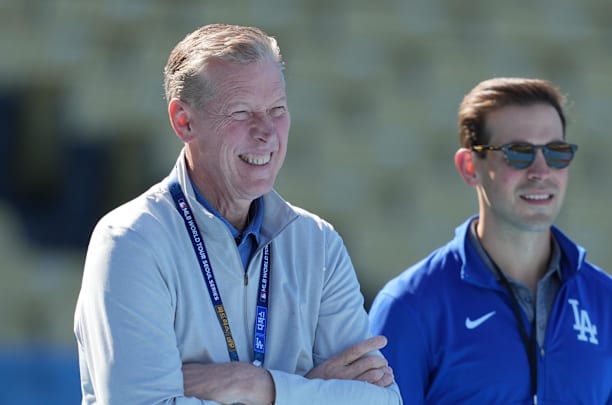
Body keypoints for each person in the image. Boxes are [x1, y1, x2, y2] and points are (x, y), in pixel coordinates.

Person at [74, 24, 401, 405]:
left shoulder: (319, 244)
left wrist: (255, 385)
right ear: (184, 121)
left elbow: (383, 401)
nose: (266, 132)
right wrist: (308, 389)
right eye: (241, 112)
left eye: (277, 109)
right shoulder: (130, 240)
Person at [369, 77, 612, 404]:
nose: (541, 171)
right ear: (470, 166)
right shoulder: (409, 306)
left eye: (556, 153)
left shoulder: (611, 304)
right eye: (519, 153)